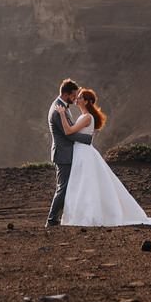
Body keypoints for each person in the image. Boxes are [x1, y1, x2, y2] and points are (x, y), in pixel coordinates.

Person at [54, 88, 151, 226]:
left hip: (82, 152)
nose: (77, 98)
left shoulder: (87, 117)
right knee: (80, 183)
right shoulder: (85, 116)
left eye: (80, 97)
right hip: (81, 151)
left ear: (87, 102)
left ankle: (85, 216)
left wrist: (62, 114)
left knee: (84, 184)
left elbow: (69, 131)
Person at [46, 79, 92, 227]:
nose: (75, 98)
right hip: (63, 154)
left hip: (67, 153)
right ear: (65, 94)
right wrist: (87, 139)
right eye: (73, 96)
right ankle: (52, 221)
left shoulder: (63, 106)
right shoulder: (57, 109)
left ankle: (58, 219)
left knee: (66, 187)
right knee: (62, 188)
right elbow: (68, 134)